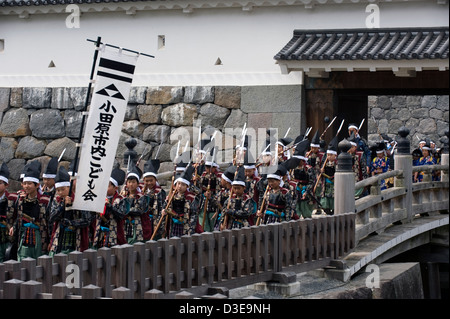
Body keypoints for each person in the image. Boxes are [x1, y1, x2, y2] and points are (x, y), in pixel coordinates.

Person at [10, 161, 50, 261]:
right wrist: (14, 227)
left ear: (37, 185)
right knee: (22, 259)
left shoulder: (45, 201)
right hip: (24, 234)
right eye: (24, 183)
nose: (26, 186)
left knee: (38, 260)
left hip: (39, 235)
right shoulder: (20, 200)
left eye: (29, 183)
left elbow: (48, 222)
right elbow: (19, 218)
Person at [48, 166, 93, 256]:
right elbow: (51, 218)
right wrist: (62, 206)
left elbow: (87, 220)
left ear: (69, 187)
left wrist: (71, 222)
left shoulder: (80, 199)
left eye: (63, 189)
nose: (60, 192)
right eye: (58, 190)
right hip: (59, 237)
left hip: (76, 238)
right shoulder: (57, 200)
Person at [90, 167, 126, 249]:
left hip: (114, 233)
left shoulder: (121, 200)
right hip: (99, 233)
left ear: (115, 188)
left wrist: (110, 206)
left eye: (108, 186)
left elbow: (121, 215)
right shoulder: (99, 198)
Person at [158, 164, 197, 238]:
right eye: (178, 183)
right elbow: (165, 207)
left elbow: (193, 214)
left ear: (187, 186)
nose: (180, 186)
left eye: (183, 184)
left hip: (185, 224)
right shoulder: (171, 196)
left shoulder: (191, 198)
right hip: (173, 224)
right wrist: (164, 211)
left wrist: (191, 229)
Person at [116, 165, 150, 244]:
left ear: (138, 183)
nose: (131, 184)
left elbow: (138, 210)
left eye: (133, 182)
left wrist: (125, 211)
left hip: (137, 225)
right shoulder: (123, 196)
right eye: (129, 182)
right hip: (126, 224)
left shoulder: (142, 197)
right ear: (126, 183)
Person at [141, 159, 166, 240]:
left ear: (156, 180)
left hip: (155, 221)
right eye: (147, 181)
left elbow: (161, 208)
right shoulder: (142, 192)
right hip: (145, 221)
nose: (149, 183)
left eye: (151, 180)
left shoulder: (160, 192)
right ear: (144, 180)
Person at [291, 138, 316, 219]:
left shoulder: (308, 169)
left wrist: (307, 190)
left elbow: (312, 182)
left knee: (306, 213)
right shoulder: (292, 168)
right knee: (296, 212)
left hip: (306, 192)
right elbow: (291, 179)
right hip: (296, 191)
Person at [0, 163, 18, 262]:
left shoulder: (13, 198)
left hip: (8, 237)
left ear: (7, 185)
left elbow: (18, 216)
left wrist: (13, 226)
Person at [318, 136, 338, 215]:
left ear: (335, 155)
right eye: (328, 155)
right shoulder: (324, 163)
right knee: (325, 198)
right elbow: (320, 172)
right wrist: (321, 171)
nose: (329, 157)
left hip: (334, 183)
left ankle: (333, 210)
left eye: (331, 155)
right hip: (326, 183)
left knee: (333, 198)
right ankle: (326, 209)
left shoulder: (337, 163)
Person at [348, 132, 369, 198]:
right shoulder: (345, 155)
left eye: (352, 147)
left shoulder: (360, 154)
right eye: (349, 147)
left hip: (359, 180)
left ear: (356, 147)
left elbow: (364, 169)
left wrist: (366, 181)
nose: (350, 149)